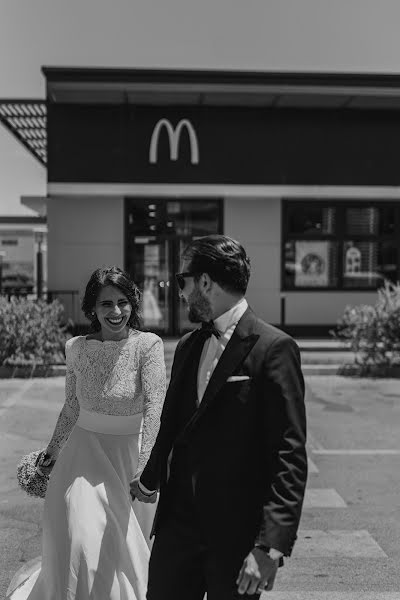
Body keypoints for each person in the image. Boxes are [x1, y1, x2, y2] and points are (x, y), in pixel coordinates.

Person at [130, 235, 307, 599]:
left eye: (183, 281)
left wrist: (270, 547)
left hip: (237, 539)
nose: (180, 293)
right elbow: (174, 424)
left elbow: (289, 454)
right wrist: (148, 481)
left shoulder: (274, 349)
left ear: (205, 282)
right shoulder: (187, 346)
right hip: (176, 533)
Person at [7, 266, 166, 600]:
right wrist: (49, 455)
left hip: (130, 462)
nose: (116, 311)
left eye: (123, 302)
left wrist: (147, 463)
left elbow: (155, 407)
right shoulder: (76, 348)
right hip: (81, 458)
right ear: (92, 308)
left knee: (125, 553)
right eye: (106, 303)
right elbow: (71, 407)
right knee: (82, 539)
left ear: (133, 305)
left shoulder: (148, 346)